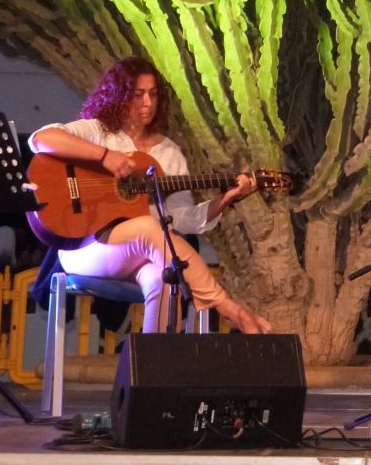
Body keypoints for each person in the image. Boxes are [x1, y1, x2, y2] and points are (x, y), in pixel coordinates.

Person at [29, 57, 271, 335]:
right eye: (138, 94)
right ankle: (229, 308)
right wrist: (105, 156)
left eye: (153, 94)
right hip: (84, 247)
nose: (148, 102)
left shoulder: (169, 153)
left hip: (139, 251)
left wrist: (225, 200)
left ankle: (151, 370)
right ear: (118, 96)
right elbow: (40, 138)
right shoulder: (98, 132)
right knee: (148, 227)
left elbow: (182, 220)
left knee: (167, 277)